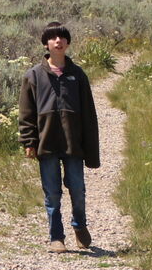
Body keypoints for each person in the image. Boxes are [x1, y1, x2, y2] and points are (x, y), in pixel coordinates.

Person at [18, 20, 100, 252]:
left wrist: (91, 148)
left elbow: (89, 115)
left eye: (62, 37)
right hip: (47, 144)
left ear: (68, 42)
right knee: (52, 194)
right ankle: (56, 237)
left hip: (73, 144)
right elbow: (26, 113)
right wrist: (29, 141)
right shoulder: (33, 75)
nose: (58, 41)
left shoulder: (78, 75)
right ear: (46, 44)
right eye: (53, 37)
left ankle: (79, 226)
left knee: (78, 189)